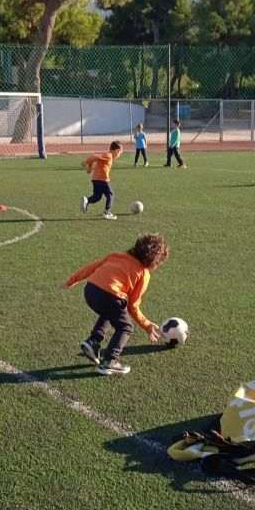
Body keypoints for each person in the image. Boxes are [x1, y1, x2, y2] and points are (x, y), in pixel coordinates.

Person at [64, 233, 169, 376]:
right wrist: (147, 325)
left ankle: (93, 341)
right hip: (110, 297)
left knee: (112, 311)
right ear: (154, 262)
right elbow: (133, 306)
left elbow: (91, 268)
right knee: (126, 327)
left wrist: (72, 280)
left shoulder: (116, 256)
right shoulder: (143, 274)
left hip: (90, 290)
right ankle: (110, 361)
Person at [80, 141, 123, 220]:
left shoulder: (108, 156)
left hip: (95, 179)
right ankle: (107, 213)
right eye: (120, 153)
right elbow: (94, 156)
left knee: (97, 197)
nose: (119, 155)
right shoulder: (108, 155)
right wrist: (86, 162)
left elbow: (95, 159)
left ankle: (87, 200)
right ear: (117, 150)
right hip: (102, 179)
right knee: (110, 194)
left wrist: (90, 168)